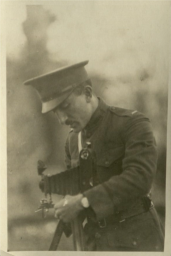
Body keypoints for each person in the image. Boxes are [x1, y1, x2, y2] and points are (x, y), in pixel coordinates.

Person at [24, 60, 164, 251]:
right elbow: (78, 189)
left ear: (88, 93)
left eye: (66, 106)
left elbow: (140, 178)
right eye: (56, 112)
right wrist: (68, 205)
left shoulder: (132, 124)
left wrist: (82, 201)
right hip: (94, 245)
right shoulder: (73, 141)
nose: (62, 119)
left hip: (137, 242)